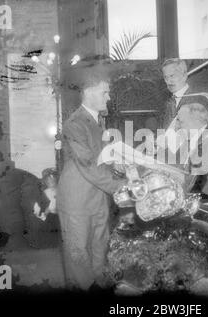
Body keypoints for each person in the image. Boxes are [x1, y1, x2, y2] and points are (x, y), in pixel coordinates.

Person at [57, 68, 126, 290]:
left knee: (100, 251)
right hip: (77, 200)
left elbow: (101, 159)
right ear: (89, 92)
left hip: (97, 197)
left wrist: (121, 165)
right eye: (105, 92)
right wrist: (124, 186)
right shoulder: (75, 124)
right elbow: (88, 165)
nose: (109, 97)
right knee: (79, 257)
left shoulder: (97, 122)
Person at [161, 58, 208, 132]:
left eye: (172, 76)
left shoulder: (200, 100)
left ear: (184, 75)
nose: (168, 81)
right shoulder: (170, 104)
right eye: (165, 77)